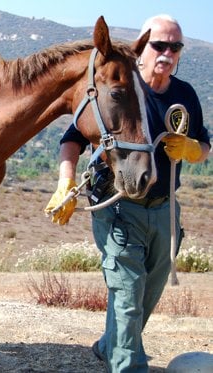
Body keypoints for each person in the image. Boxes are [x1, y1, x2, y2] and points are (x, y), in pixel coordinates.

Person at [44, 14, 210, 373]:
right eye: (159, 45)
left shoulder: (185, 95)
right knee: (128, 293)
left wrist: (192, 150)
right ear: (143, 48)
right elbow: (71, 139)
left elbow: (205, 146)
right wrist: (65, 182)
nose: (167, 52)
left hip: (165, 210)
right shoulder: (119, 88)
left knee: (148, 291)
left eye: (175, 46)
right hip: (118, 208)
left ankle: (110, 344)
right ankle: (127, 365)